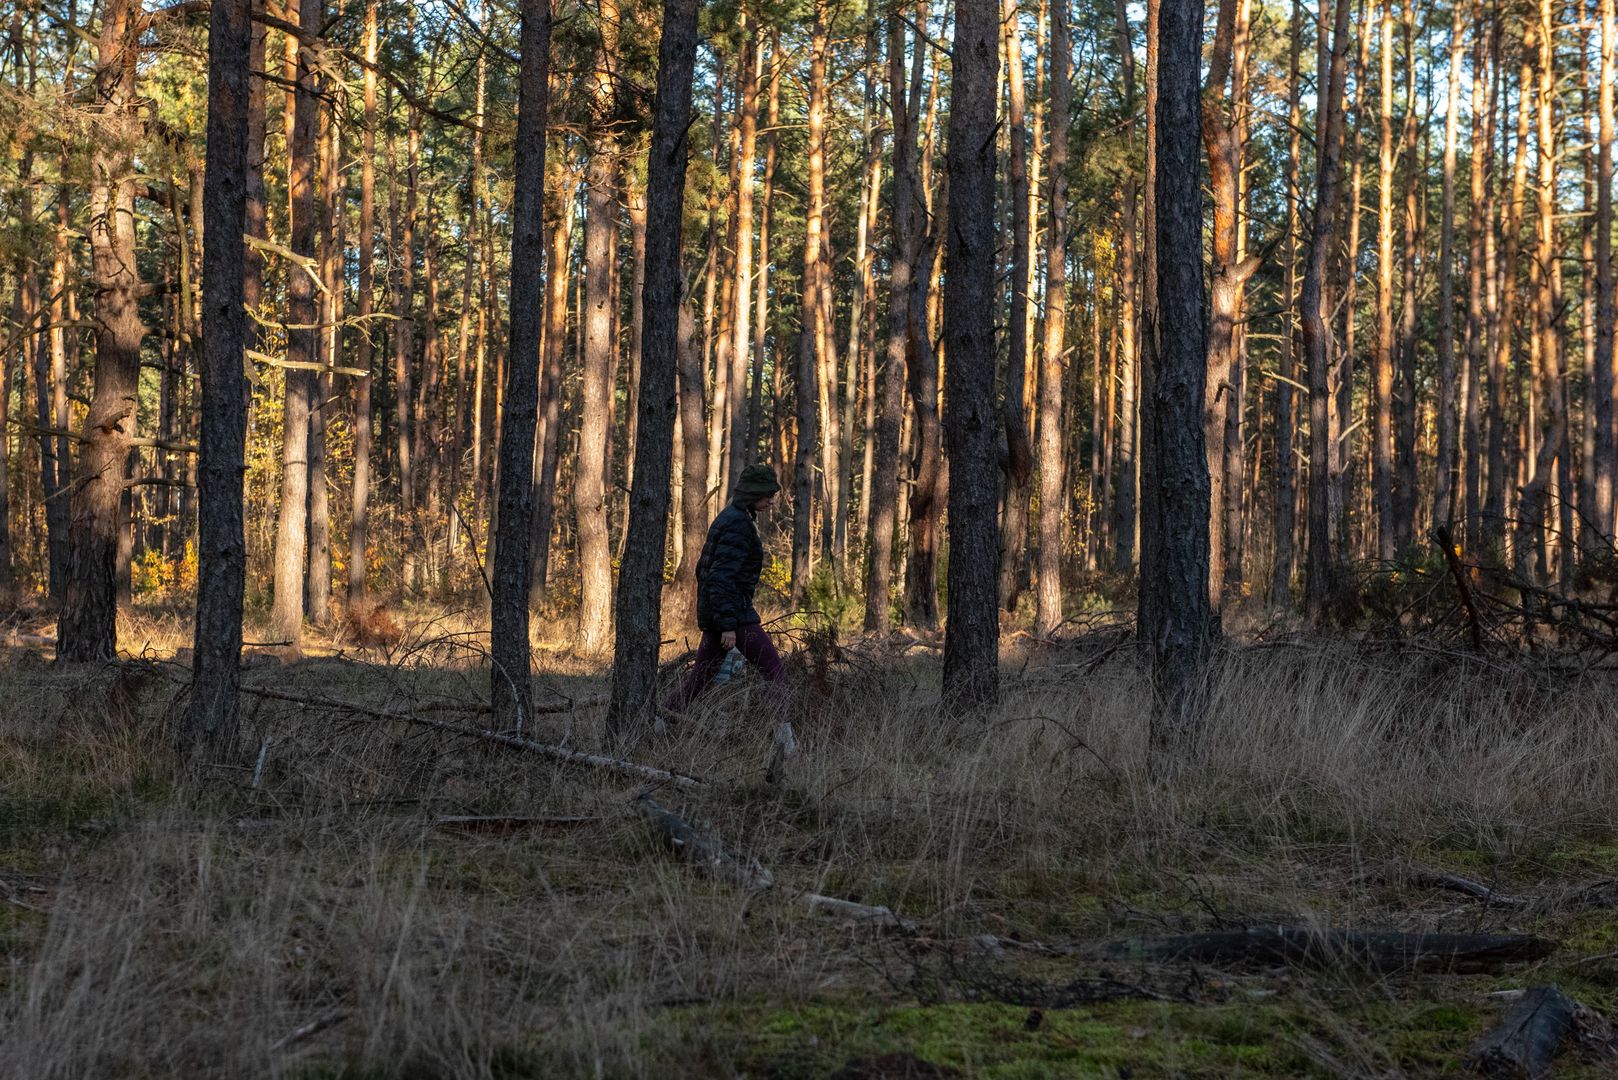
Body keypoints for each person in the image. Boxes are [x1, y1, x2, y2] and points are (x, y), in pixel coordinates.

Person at [663, 464, 791, 735]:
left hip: (723, 613)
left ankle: (657, 724)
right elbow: (719, 577)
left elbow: (705, 570)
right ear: (753, 493)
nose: (771, 500)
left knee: (700, 679)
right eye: (767, 494)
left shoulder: (734, 517)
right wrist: (728, 625)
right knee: (773, 668)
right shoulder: (737, 523)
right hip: (734, 615)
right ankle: (785, 742)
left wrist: (721, 619)